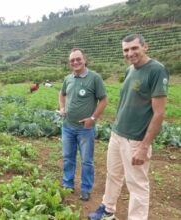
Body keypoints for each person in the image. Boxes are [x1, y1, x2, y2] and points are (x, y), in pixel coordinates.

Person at [89, 34, 169, 220]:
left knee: (137, 184)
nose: (130, 53)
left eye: (134, 48)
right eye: (126, 50)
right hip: (117, 134)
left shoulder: (156, 70)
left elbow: (159, 113)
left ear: (145, 47)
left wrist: (144, 146)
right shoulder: (130, 70)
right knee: (113, 175)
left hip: (136, 139)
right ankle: (108, 210)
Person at [59, 48, 108, 201]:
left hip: (85, 129)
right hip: (67, 126)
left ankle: (86, 188)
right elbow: (62, 94)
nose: (75, 62)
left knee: (86, 160)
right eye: (72, 60)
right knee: (68, 157)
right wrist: (62, 107)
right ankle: (68, 184)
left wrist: (92, 119)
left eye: (78, 59)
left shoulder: (94, 78)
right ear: (69, 63)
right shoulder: (68, 79)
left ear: (84, 59)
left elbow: (104, 100)